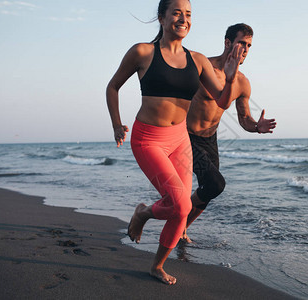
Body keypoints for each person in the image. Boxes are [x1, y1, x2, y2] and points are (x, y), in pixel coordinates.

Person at [106, 0, 243, 285]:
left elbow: (222, 100)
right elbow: (113, 86)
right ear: (162, 17)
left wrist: (230, 78)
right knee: (181, 205)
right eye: (177, 12)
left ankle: (156, 264)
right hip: (148, 140)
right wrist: (117, 124)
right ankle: (143, 213)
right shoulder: (142, 52)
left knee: (180, 212)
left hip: (180, 139)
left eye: (189, 14)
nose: (183, 18)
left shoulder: (198, 59)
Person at [183, 23, 276, 242]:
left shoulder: (242, 82)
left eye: (249, 46)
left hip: (210, 139)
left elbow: (244, 119)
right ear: (228, 43)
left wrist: (256, 127)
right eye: (242, 43)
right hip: (187, 136)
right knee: (214, 185)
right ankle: (172, 215)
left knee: (209, 191)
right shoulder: (203, 67)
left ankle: (181, 228)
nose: (245, 49)